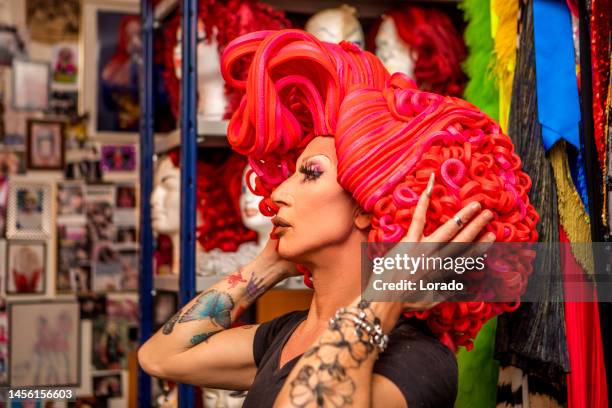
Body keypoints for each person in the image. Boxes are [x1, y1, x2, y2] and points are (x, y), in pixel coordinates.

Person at [139, 30, 537, 407]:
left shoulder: (417, 361)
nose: (277, 193)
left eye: (309, 173)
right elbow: (160, 356)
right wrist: (265, 268)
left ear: (367, 203)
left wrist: (382, 298)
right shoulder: (285, 333)